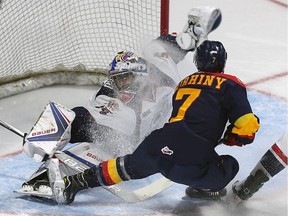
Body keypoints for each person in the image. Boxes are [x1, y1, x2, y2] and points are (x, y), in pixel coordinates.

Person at [19, 6, 223, 199]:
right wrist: (49, 136)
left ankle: (193, 33)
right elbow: (91, 111)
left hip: (138, 146)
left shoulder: (165, 80)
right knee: (69, 114)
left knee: (155, 48)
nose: (120, 83)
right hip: (112, 136)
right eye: (117, 78)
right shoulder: (113, 89)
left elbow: (164, 53)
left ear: (140, 75)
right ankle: (40, 148)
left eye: (125, 77)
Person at [51, 40, 260, 204]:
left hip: (159, 144)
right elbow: (247, 127)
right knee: (230, 167)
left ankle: (76, 183)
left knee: (125, 167)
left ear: (197, 62)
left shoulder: (184, 84)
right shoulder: (232, 83)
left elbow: (181, 118)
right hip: (192, 159)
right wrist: (235, 137)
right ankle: (204, 189)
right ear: (223, 61)